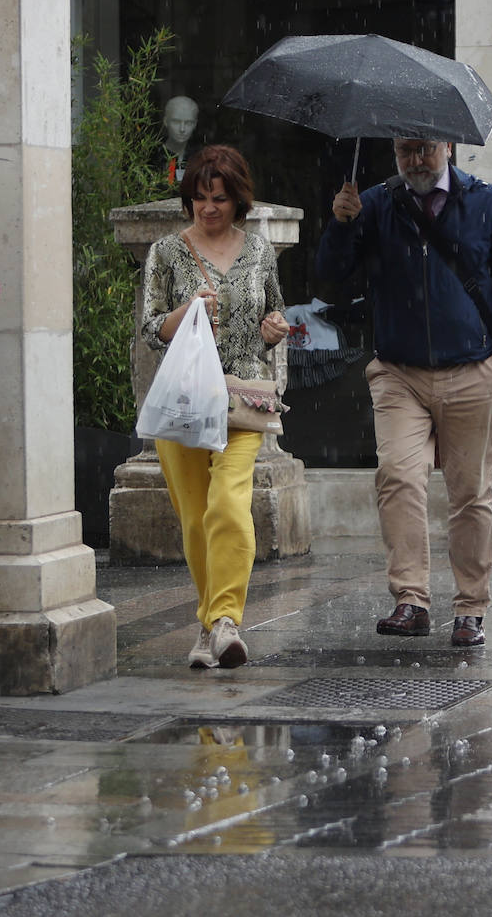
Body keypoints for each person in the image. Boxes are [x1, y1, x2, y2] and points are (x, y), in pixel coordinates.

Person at [316, 137, 492, 647]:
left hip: (472, 370)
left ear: (450, 147)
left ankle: (470, 609)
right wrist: (341, 223)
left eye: (425, 149)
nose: (415, 160)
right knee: (397, 475)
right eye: (404, 150)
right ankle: (410, 600)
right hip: (399, 372)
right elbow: (329, 277)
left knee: (470, 494)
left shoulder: (486, 203)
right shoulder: (372, 203)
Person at [140, 144, 289, 669]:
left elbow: (274, 314)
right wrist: (187, 311)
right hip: (185, 402)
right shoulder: (166, 253)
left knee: (229, 502)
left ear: (238, 201)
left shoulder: (259, 251)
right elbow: (151, 328)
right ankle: (210, 629)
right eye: (200, 198)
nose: (209, 208)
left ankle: (226, 620)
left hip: (243, 399)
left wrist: (273, 332)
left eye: (220, 199)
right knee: (196, 522)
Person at [159, 95, 199, 185]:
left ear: (195, 124)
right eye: (176, 122)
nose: (182, 129)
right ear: (166, 121)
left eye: (188, 123)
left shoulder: (199, 158)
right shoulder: (154, 157)